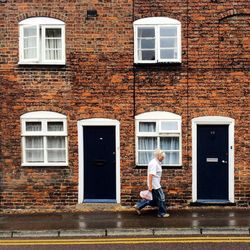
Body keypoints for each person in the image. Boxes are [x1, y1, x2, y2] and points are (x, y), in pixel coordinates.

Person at [133, 149, 170, 218]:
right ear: (158, 156)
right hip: (155, 185)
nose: (163, 158)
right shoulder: (154, 163)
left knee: (154, 200)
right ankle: (162, 213)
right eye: (162, 157)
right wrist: (150, 186)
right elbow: (150, 176)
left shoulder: (157, 162)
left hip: (155, 184)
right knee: (161, 198)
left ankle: (138, 205)